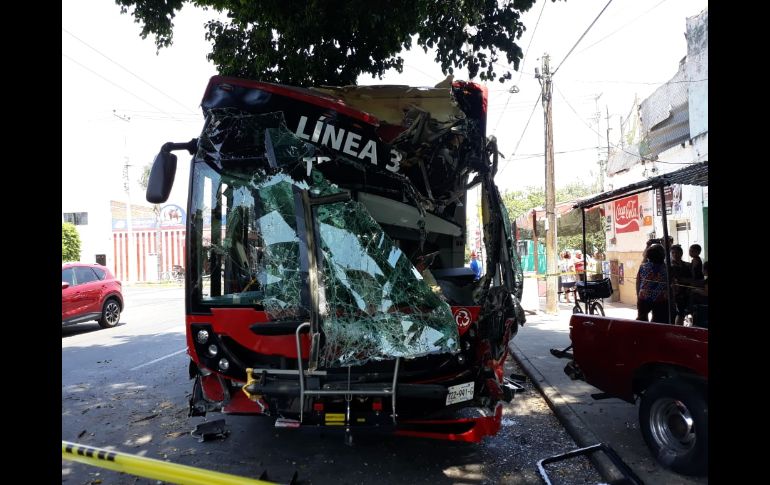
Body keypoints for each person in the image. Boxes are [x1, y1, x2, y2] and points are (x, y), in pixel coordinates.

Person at [636, 243, 670, 323]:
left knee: (642, 320)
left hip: (644, 296)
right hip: (661, 298)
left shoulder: (643, 267)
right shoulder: (667, 269)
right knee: (659, 321)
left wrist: (638, 295)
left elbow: (638, 282)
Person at [669, 244, 692, 325]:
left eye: (677, 253)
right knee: (676, 313)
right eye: (673, 253)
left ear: (681, 254)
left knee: (682, 313)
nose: (675, 255)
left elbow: (690, 278)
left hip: (685, 292)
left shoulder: (686, 265)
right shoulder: (669, 266)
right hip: (674, 293)